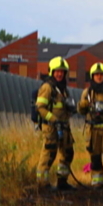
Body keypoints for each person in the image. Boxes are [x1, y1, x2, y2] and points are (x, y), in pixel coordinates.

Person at [35, 57, 75, 191]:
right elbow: (40, 107)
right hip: (51, 127)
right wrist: (53, 119)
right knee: (49, 155)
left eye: (62, 72)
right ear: (52, 72)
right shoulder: (47, 87)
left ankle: (62, 182)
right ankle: (42, 184)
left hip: (64, 126)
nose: (60, 74)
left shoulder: (63, 89)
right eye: (57, 71)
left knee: (68, 153)